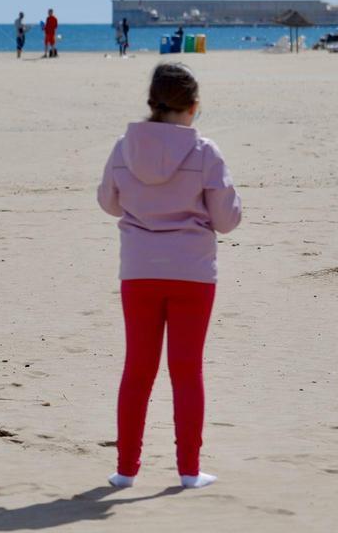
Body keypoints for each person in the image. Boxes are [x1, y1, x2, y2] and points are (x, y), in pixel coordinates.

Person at [96, 62, 242, 491]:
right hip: (192, 272)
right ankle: (189, 471)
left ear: (152, 104)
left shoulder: (125, 147)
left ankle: (126, 470)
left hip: (139, 269)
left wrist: (145, 212)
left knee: (137, 368)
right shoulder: (205, 152)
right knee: (186, 368)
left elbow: (108, 202)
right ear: (193, 107)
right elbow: (227, 220)